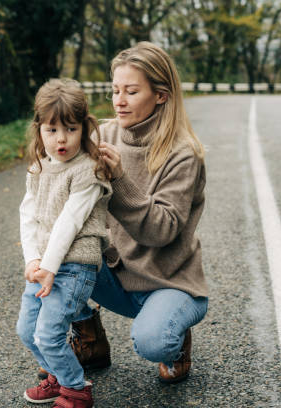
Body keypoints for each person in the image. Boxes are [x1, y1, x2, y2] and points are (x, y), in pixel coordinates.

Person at [39, 41, 209, 384]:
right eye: (115, 90)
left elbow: (163, 231)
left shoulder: (183, 154)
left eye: (131, 91)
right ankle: (89, 337)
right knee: (49, 252)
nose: (119, 100)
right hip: (113, 274)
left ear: (160, 95)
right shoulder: (102, 134)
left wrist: (120, 180)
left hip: (167, 281)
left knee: (153, 341)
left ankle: (174, 340)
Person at [16, 78, 112, 408]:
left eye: (70, 129)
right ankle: (58, 373)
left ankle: (75, 389)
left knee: (48, 333)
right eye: (52, 130)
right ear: (39, 130)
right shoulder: (39, 167)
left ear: (84, 129)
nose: (61, 139)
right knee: (27, 331)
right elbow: (28, 215)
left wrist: (48, 266)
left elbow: (69, 223)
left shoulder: (87, 171)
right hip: (43, 266)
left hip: (72, 268)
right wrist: (32, 262)